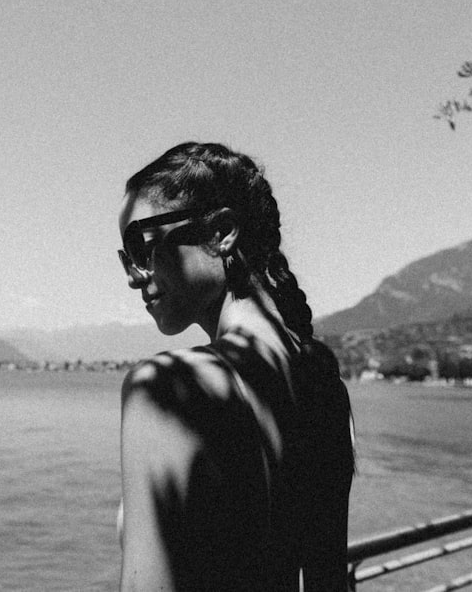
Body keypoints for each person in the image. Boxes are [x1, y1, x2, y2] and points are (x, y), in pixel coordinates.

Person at [116, 142, 354, 591]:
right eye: (125, 258)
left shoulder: (169, 389)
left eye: (139, 246)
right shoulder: (321, 381)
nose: (133, 274)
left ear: (223, 231)